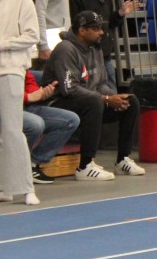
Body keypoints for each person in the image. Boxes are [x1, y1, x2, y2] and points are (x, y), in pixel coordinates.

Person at [42, 10, 145, 181]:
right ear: (82, 30)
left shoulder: (95, 48)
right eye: (96, 29)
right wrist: (106, 99)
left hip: (86, 102)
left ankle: (123, 160)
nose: (101, 32)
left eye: (101, 28)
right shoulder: (65, 49)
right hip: (58, 103)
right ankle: (85, 166)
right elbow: (69, 89)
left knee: (130, 101)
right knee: (94, 102)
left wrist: (115, 98)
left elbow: (101, 84)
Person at [0, 0, 40, 205]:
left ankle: (26, 188)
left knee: (12, 129)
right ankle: (2, 186)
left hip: (11, 70)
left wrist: (1, 45)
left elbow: (32, 35)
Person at [68, 0, 138, 89]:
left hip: (104, 53)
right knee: (91, 92)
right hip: (86, 55)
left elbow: (109, 21)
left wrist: (120, 13)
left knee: (111, 91)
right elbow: (76, 24)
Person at [23, 70, 80, 185]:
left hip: (24, 106)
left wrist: (40, 94)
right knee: (35, 124)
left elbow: (28, 80)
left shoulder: (19, 61)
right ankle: (19, 166)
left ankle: (32, 164)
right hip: (3, 109)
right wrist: (27, 97)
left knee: (71, 120)